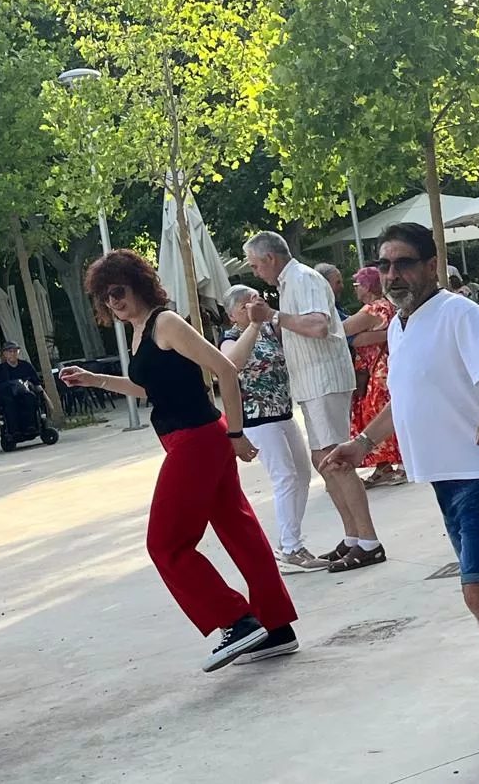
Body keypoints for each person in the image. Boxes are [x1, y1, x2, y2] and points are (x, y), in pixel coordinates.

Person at [325, 222, 479, 768]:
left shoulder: (457, 313)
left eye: (404, 263)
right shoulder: (402, 324)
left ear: (431, 264)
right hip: (445, 477)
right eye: (385, 264)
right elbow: (403, 399)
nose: (393, 274)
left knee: (478, 591)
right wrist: (361, 443)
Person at [65, 249, 300, 672]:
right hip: (188, 439)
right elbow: (150, 390)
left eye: (118, 291)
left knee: (166, 545)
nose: (113, 302)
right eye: (105, 297)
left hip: (198, 439)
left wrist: (236, 433)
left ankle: (236, 620)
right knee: (239, 531)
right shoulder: (139, 332)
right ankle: (277, 628)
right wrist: (95, 379)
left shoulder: (166, 322)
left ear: (138, 283)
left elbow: (225, 370)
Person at [243, 232, 384, 573]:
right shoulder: (289, 283)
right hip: (311, 381)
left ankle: (368, 540)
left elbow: (319, 326)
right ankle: (353, 536)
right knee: (323, 458)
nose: (254, 271)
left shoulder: (303, 278)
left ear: (271, 258)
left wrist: (274, 316)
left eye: (255, 264)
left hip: (324, 378)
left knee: (336, 459)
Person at [221, 284, 328, 573]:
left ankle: (290, 540)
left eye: (254, 301)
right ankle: (290, 547)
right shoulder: (230, 338)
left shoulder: (270, 330)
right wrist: (254, 324)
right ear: (233, 313)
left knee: (302, 475)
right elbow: (233, 364)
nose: (251, 307)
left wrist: (267, 318)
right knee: (285, 477)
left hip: (282, 412)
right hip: (257, 418)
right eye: (244, 305)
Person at [342, 267, 403, 488]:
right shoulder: (390, 306)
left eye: (357, 284)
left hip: (376, 371)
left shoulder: (374, 309)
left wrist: (359, 339)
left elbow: (343, 330)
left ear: (367, 286)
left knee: (374, 415)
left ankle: (391, 464)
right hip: (385, 366)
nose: (355, 289)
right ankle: (384, 466)